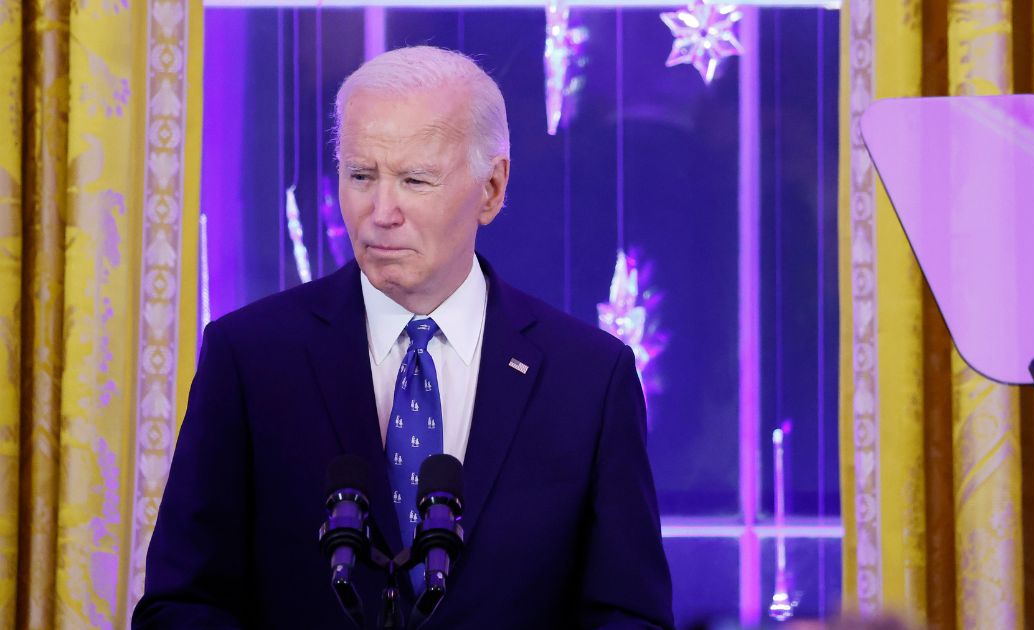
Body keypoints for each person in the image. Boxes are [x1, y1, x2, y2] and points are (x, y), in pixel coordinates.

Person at [132, 46, 673, 629]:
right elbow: (182, 603)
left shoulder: (589, 380)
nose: (380, 211)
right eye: (361, 176)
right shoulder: (250, 358)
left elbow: (629, 614)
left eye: (415, 180)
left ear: (491, 188)